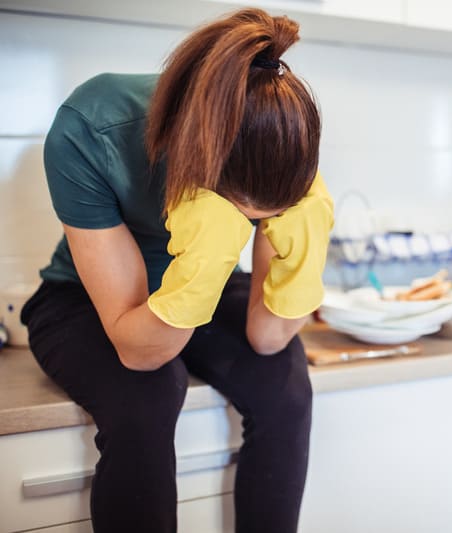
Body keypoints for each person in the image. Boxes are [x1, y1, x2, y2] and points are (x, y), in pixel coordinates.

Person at [20, 8, 332, 533]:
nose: (252, 225)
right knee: (147, 394)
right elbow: (142, 353)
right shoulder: (93, 127)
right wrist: (207, 256)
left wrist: (301, 261)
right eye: (238, 213)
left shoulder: (278, 138)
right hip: (83, 299)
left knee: (286, 387)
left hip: (197, 292)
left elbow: (267, 339)